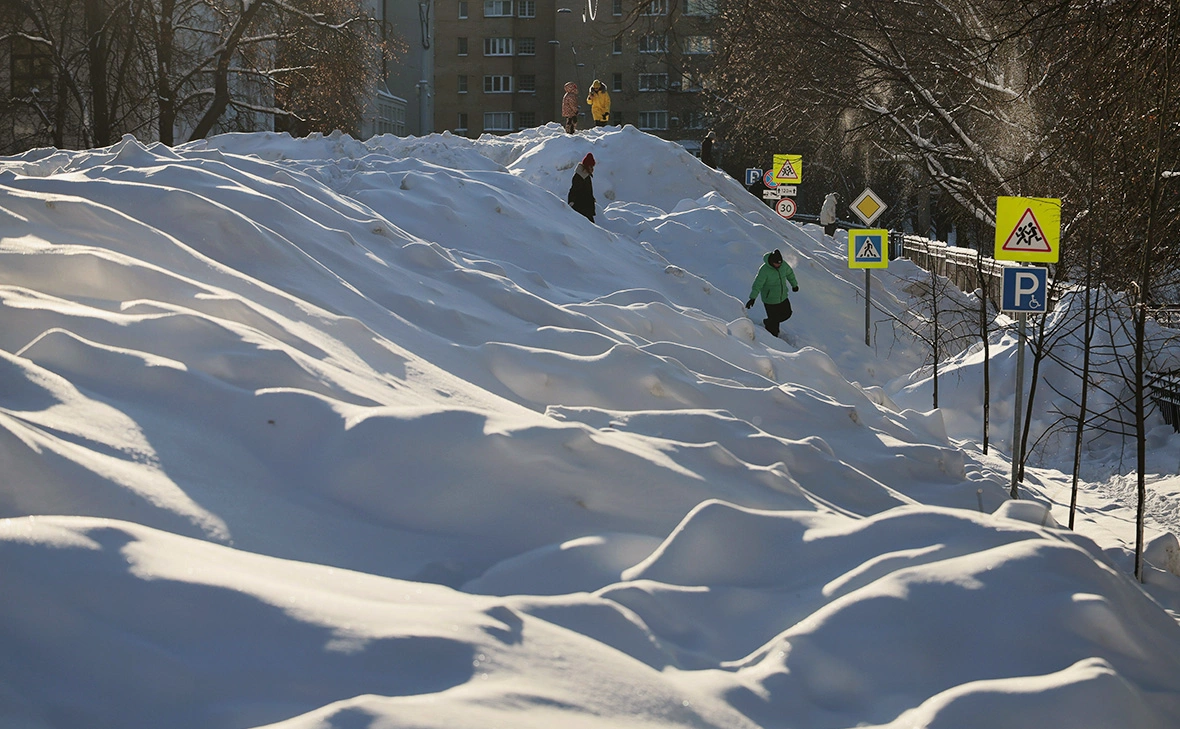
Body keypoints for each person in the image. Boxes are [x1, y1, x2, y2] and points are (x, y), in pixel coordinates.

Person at [745, 248, 799, 338]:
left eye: (780, 263)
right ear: (772, 261)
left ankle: (768, 322)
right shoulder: (764, 270)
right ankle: (772, 340)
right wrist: (752, 298)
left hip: (783, 297)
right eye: (777, 263)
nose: (779, 265)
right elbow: (758, 284)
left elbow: (790, 274)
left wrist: (794, 285)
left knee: (787, 314)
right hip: (770, 300)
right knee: (774, 326)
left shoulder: (783, 265)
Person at [568, 152, 596, 222]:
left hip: (586, 208)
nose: (592, 168)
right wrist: (571, 201)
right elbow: (574, 190)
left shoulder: (586, 175)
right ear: (587, 166)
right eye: (591, 166)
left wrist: (592, 199)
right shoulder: (579, 176)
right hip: (581, 208)